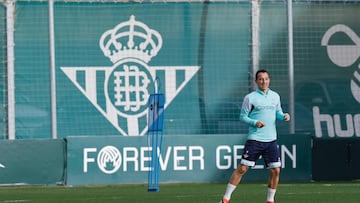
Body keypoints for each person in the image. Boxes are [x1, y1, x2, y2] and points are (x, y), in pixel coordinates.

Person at [219, 69, 290, 203]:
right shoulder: (250, 98)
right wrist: (255, 122)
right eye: (261, 79)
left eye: (266, 79)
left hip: (271, 140)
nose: (264, 81)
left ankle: (270, 200)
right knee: (243, 168)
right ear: (256, 81)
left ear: (269, 80)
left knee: (275, 170)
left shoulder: (275, 96)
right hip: (255, 140)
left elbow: (278, 112)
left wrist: (284, 116)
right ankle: (225, 199)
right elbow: (242, 117)